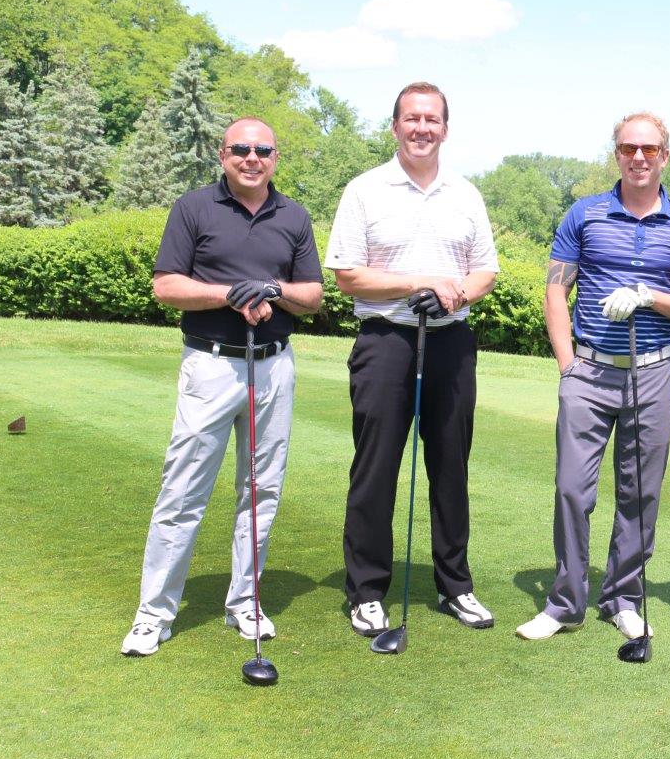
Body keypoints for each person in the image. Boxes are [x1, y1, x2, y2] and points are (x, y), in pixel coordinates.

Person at [122, 117, 324, 656]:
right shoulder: (193, 208)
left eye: (263, 150)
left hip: (273, 366)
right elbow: (167, 285)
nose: (251, 158)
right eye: (241, 149)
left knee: (261, 490)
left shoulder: (294, 216)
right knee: (183, 490)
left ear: (275, 158)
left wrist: (272, 289)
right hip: (211, 366)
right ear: (223, 155)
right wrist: (231, 294)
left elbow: (312, 296)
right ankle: (154, 613)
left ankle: (245, 602)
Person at [516, 113, 670, 642]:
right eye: (628, 148)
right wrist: (567, 363)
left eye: (648, 148)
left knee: (640, 494)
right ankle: (564, 603)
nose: (638, 157)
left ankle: (622, 598)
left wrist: (650, 297)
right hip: (590, 370)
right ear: (617, 153)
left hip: (653, 373)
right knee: (572, 490)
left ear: (665, 155)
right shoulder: (585, 214)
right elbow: (556, 290)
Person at [325, 82, 500, 637]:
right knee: (375, 468)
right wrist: (420, 283)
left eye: (432, 119)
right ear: (395, 126)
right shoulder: (364, 189)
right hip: (385, 342)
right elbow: (348, 274)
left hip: (451, 342)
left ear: (445, 128)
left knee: (451, 469)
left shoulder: (466, 194)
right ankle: (366, 590)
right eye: (412, 118)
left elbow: (485, 271)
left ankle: (455, 585)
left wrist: (456, 294)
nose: (422, 128)